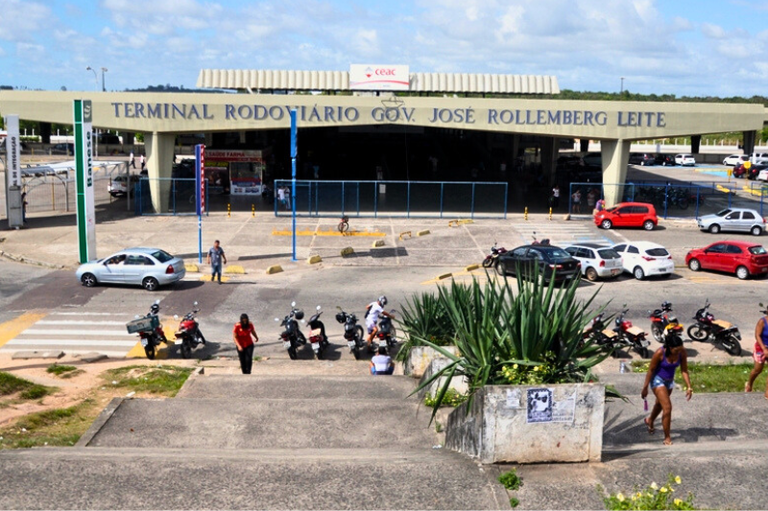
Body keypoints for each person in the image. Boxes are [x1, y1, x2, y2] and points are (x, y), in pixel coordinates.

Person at [641, 335, 693, 445]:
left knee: (659, 404)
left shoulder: (682, 352)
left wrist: (689, 386)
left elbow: (684, 370)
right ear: (670, 347)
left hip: (669, 381)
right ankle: (667, 438)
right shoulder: (660, 353)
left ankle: (650, 420)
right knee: (667, 407)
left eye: (680, 349)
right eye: (676, 350)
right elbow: (650, 370)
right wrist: (645, 388)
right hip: (657, 380)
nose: (678, 352)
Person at [745, 305, 768, 399]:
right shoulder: (762, 321)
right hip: (761, 348)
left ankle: (767, 392)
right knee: (758, 369)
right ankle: (749, 383)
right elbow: (757, 335)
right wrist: (764, 349)